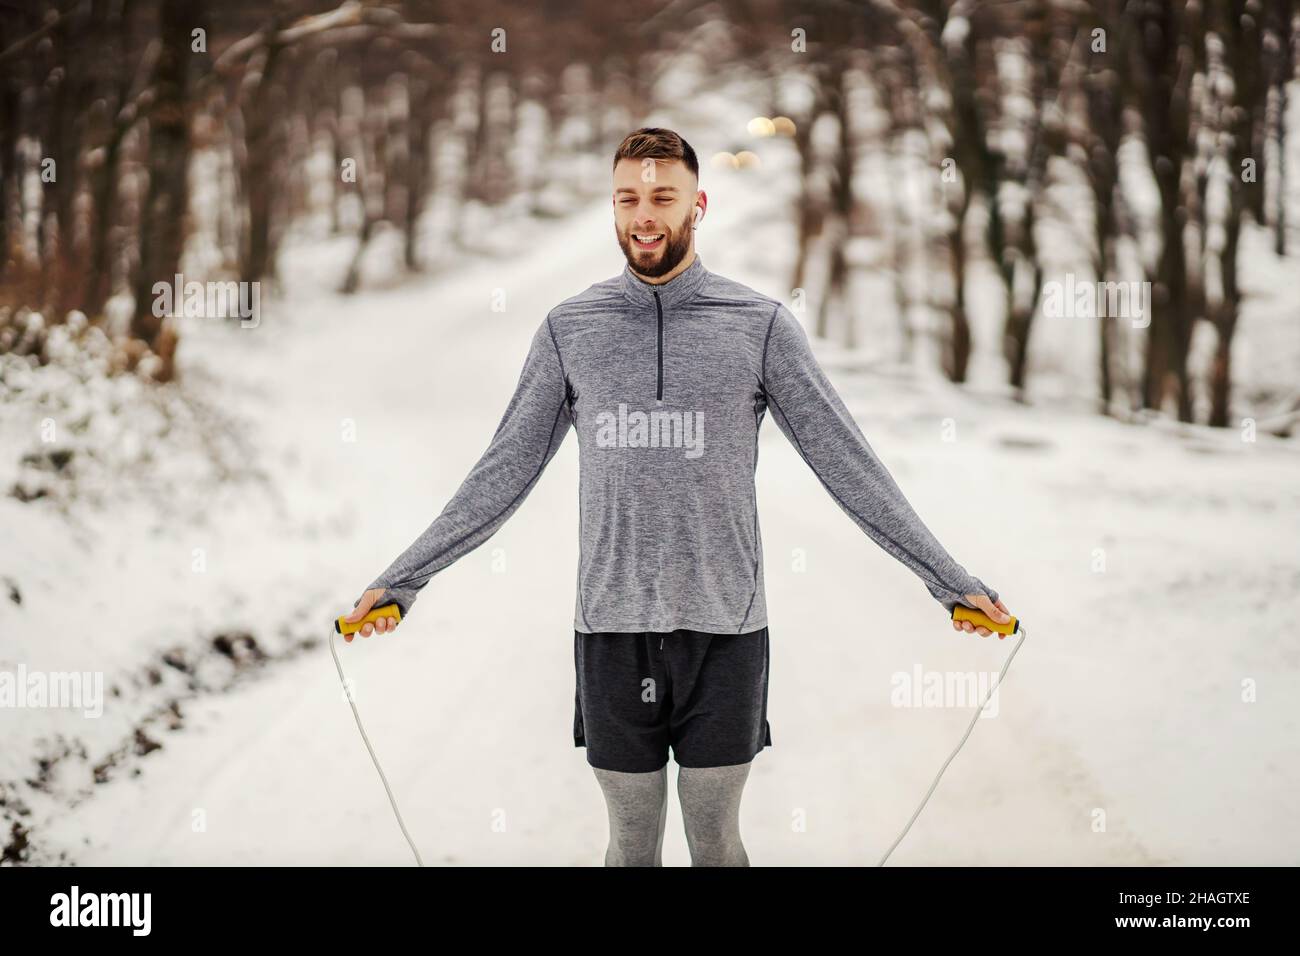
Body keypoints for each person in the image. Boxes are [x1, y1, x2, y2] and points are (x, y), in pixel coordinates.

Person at [340, 127, 1013, 866]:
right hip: (610, 633)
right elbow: (502, 473)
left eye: (662, 197)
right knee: (630, 846)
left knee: (715, 841)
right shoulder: (571, 330)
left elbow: (847, 465)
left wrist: (951, 583)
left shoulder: (758, 328)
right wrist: (401, 579)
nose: (644, 216)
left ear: (699, 202)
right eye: (627, 198)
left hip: (725, 630)